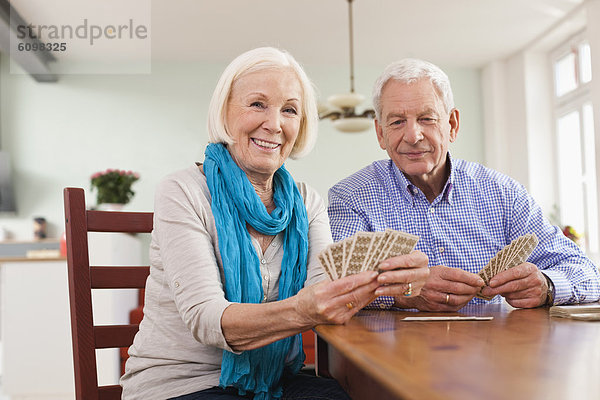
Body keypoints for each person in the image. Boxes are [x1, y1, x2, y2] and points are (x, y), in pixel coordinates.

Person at [121, 48, 429, 400]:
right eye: (257, 104)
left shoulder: (307, 201)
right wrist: (303, 308)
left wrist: (391, 281)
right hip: (182, 385)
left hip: (277, 381)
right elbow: (207, 319)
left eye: (289, 110)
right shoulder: (182, 191)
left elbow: (325, 290)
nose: (274, 124)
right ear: (225, 111)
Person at [328, 58, 600, 312]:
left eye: (427, 118)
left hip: (496, 353)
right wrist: (402, 292)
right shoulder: (351, 198)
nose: (412, 135)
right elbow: (333, 290)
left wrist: (547, 285)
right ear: (381, 133)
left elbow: (587, 272)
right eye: (397, 122)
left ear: (452, 124)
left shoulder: (504, 194)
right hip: (392, 357)